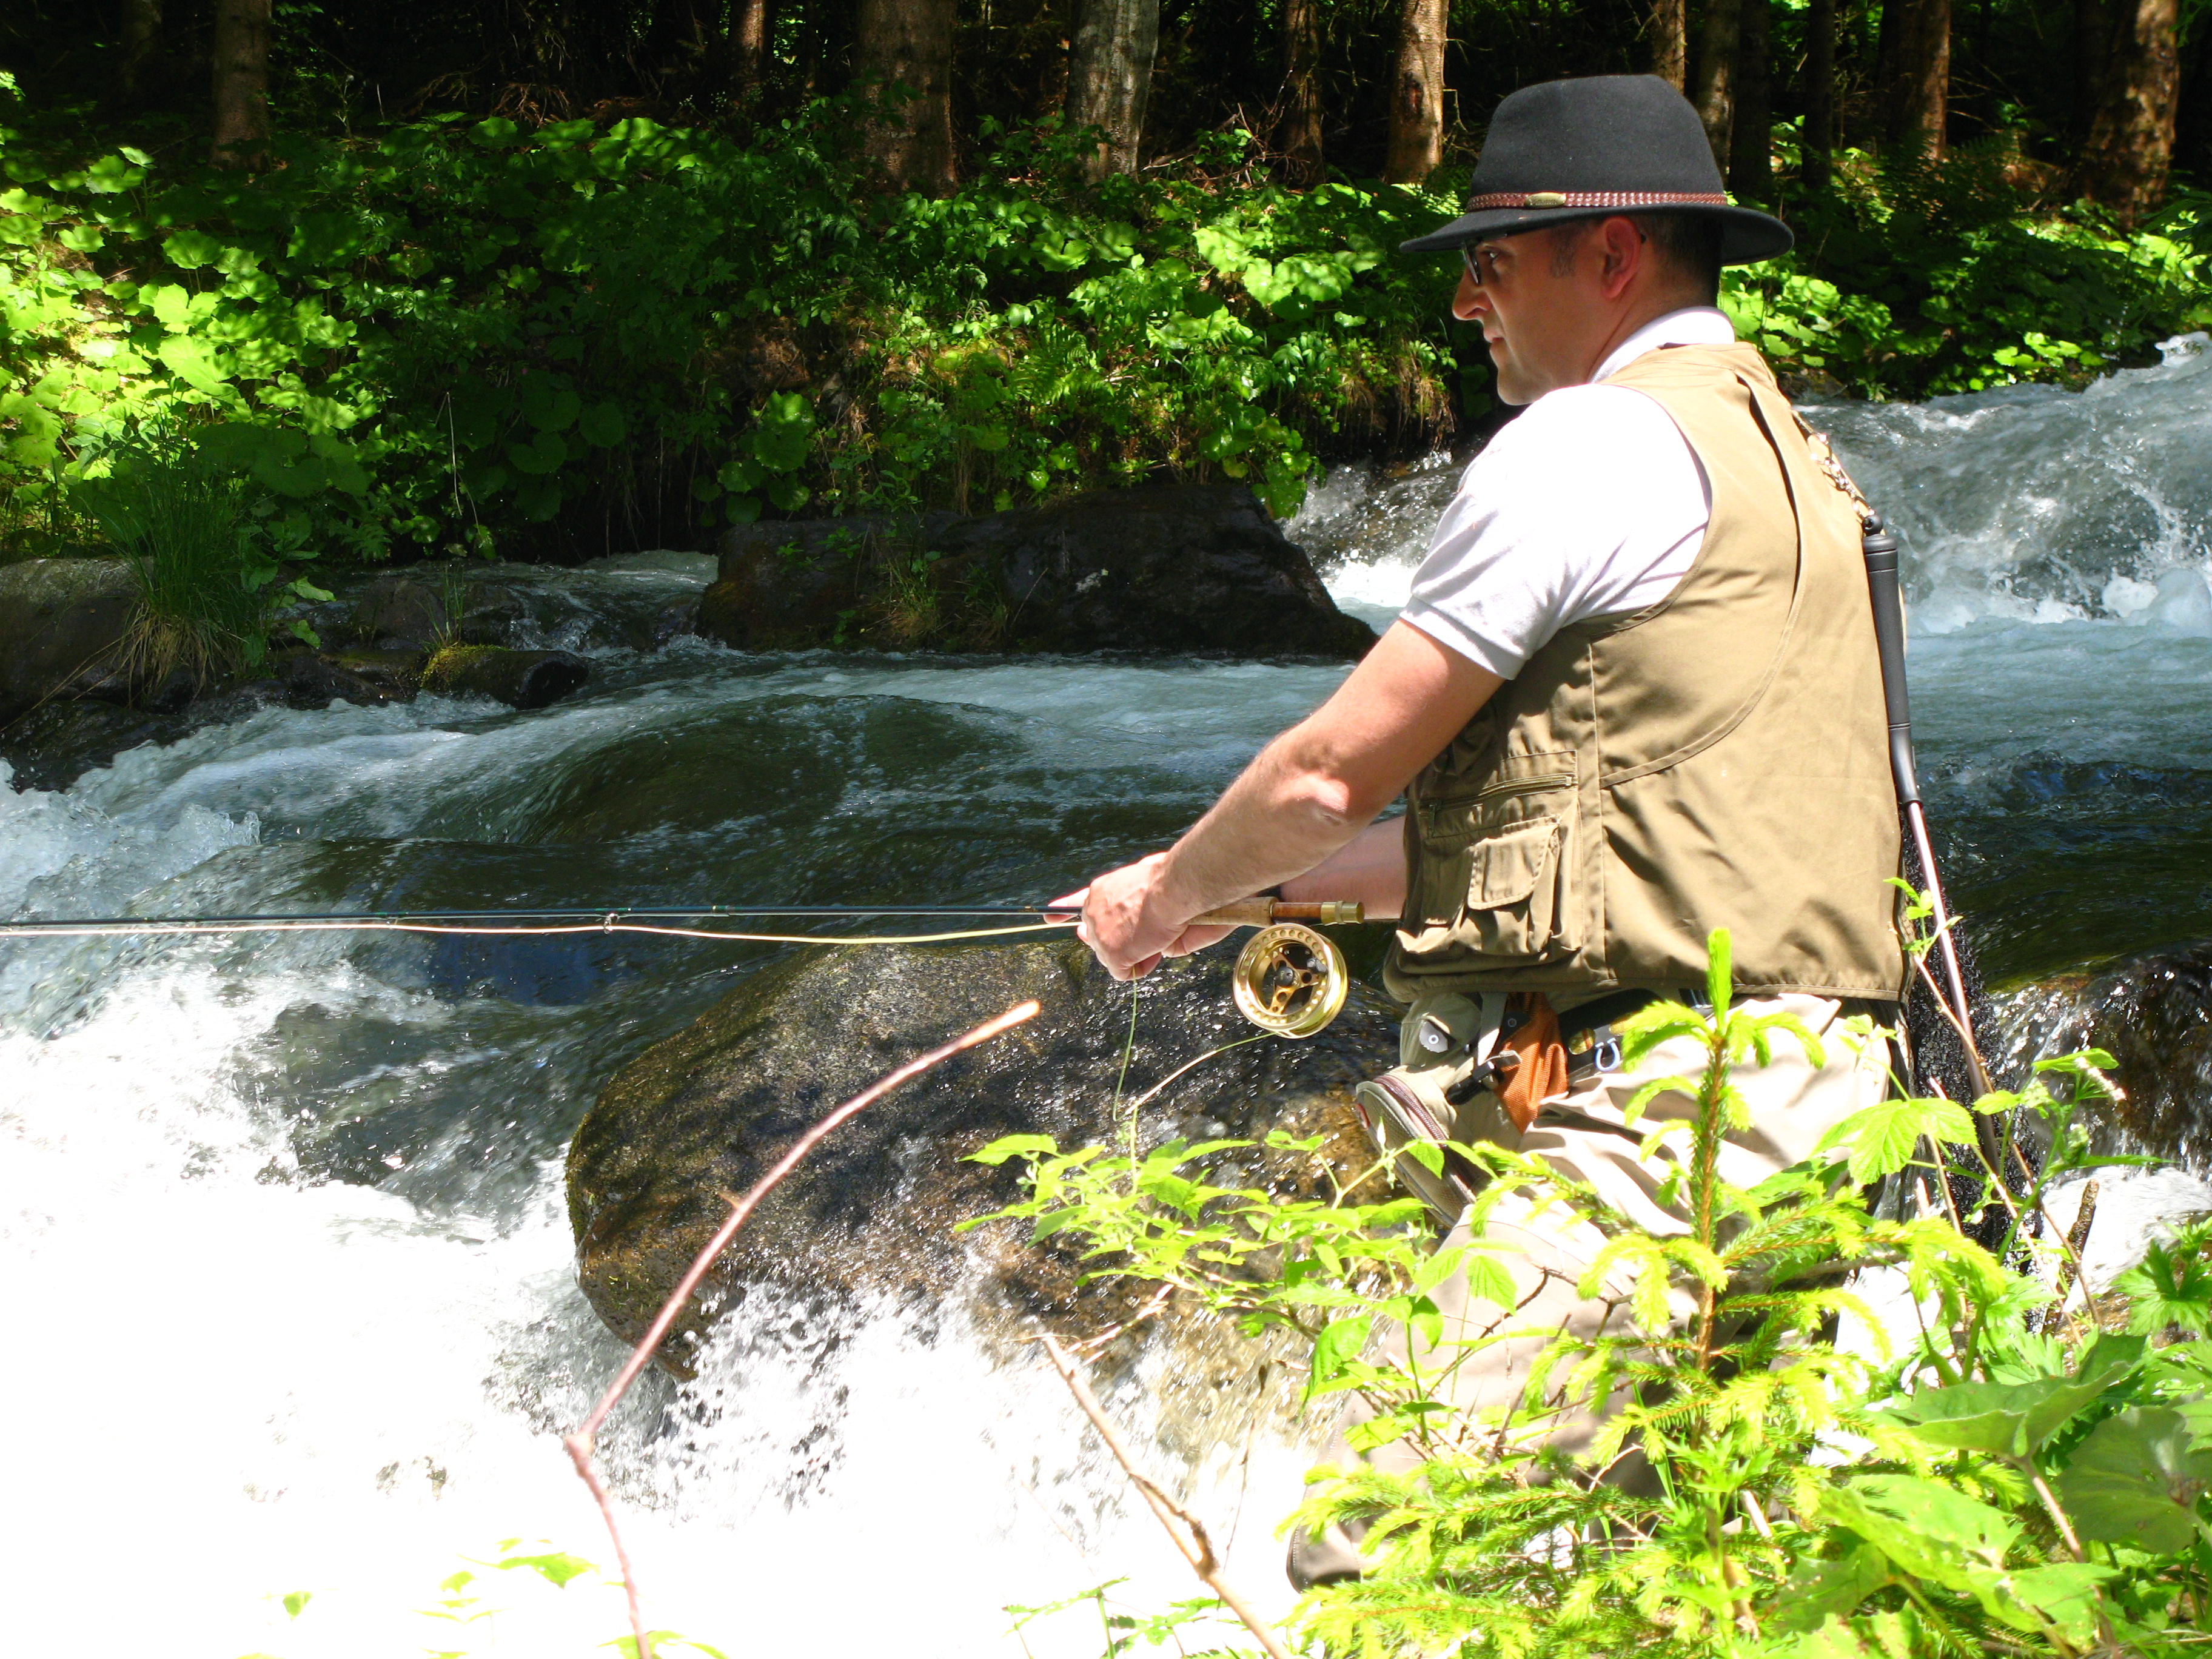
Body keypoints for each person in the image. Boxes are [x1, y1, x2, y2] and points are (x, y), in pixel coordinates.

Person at [1057, 74, 1908, 1585]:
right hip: (1827, 1108)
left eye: (1493, 260)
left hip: (1667, 1118)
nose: (1465, 302)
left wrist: (1162, 894)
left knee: (1376, 1550)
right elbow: (1633, 831)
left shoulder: (1586, 448)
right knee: (1683, 1575)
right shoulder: (1804, 468)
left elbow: (1331, 773)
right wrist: (1259, 903)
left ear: (1612, 256)